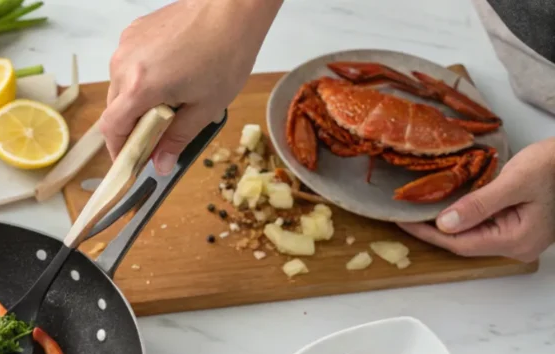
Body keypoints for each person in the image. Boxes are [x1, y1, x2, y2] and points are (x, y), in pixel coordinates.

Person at [99, 0, 555, 263]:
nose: (374, 149)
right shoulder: (322, 93)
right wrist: (226, 14)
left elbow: (482, 153)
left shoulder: (469, 147)